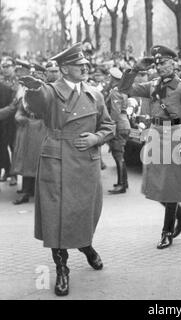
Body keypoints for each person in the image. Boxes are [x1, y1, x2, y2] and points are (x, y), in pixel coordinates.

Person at [19, 43, 115, 297]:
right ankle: (62, 269)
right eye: (78, 65)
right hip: (57, 158)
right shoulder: (50, 91)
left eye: (85, 64)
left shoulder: (95, 94)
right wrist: (33, 89)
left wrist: (96, 138)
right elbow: (38, 104)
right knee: (56, 217)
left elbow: (108, 125)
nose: (85, 67)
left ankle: (86, 246)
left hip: (86, 160)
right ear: (63, 69)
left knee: (85, 211)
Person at [118, 45, 181, 249]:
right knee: (154, 185)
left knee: (170, 186)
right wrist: (134, 69)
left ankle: (167, 232)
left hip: (174, 137)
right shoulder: (153, 85)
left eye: (164, 62)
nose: (160, 67)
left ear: (173, 64)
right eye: (157, 63)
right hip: (154, 135)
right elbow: (125, 89)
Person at [11, 63, 47, 205]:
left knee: (41, 161)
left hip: (42, 128)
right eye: (34, 74)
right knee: (27, 160)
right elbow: (20, 110)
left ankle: (39, 191)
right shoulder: (27, 92)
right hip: (28, 129)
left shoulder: (48, 91)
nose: (36, 76)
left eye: (39, 74)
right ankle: (26, 190)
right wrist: (19, 117)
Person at [105, 67, 131, 194]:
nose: (108, 79)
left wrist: (110, 127)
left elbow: (115, 112)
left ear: (113, 78)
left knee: (118, 154)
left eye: (109, 77)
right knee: (120, 153)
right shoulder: (122, 91)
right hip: (125, 123)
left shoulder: (115, 92)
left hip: (119, 124)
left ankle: (121, 184)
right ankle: (123, 182)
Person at [0, 57, 18, 186]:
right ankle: (7, 170)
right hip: (2, 121)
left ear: (14, 67)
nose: (5, 69)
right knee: (2, 148)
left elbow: (17, 103)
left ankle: (15, 174)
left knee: (14, 147)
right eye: (3, 66)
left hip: (14, 119)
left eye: (8, 66)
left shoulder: (19, 82)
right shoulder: (0, 81)